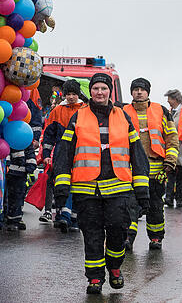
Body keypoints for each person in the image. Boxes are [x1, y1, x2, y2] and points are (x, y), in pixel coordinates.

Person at [52, 73, 149, 294]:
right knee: (92, 234)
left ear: (109, 92)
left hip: (118, 188)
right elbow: (65, 153)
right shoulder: (78, 117)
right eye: (95, 88)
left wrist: (142, 189)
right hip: (86, 189)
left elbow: (137, 154)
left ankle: (114, 268)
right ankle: (95, 279)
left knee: (118, 231)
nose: (99, 92)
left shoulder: (123, 117)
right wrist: (61, 186)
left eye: (103, 89)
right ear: (91, 92)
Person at [123, 78, 179, 250]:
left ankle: (156, 238)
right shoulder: (121, 111)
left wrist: (170, 163)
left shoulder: (161, 111)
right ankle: (127, 238)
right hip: (130, 170)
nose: (139, 92)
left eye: (142, 89)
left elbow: (171, 138)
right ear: (131, 92)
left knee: (155, 206)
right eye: (136, 89)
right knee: (129, 206)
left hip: (156, 171)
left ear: (148, 92)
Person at [41, 79, 85, 232]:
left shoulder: (85, 110)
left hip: (81, 153)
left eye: (73, 94)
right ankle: (64, 216)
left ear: (78, 94)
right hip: (61, 153)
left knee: (77, 186)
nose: (71, 97)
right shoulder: (57, 111)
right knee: (62, 185)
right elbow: (48, 135)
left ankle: (72, 218)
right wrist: (46, 154)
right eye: (68, 94)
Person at [6, 96, 42, 231]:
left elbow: (30, 153)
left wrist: (31, 166)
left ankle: (15, 219)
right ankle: (11, 219)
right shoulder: (9, 135)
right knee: (11, 197)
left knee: (18, 197)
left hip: (20, 175)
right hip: (12, 174)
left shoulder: (25, 136)